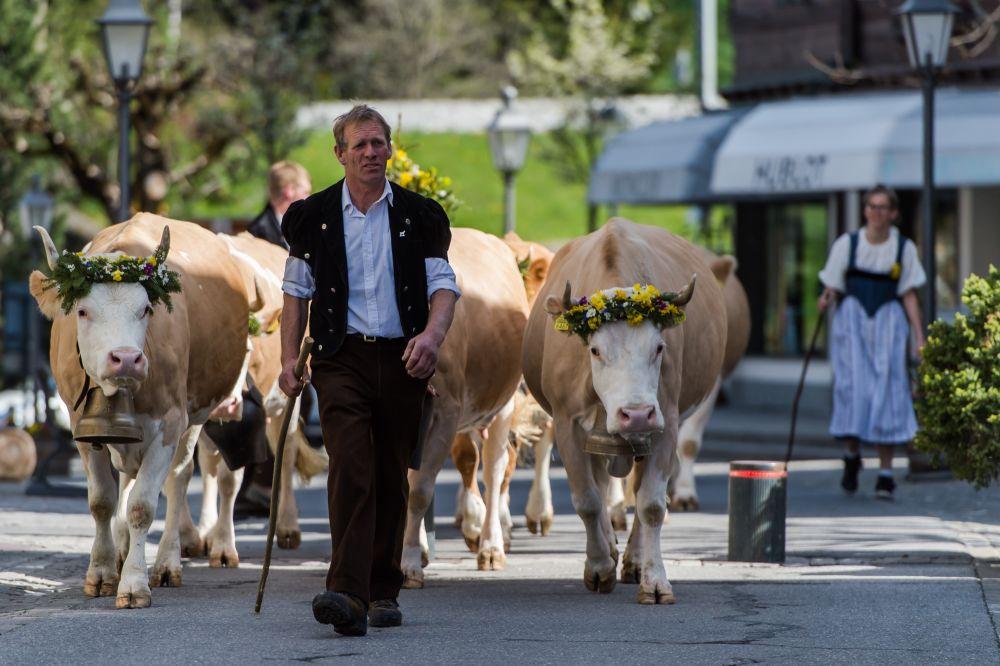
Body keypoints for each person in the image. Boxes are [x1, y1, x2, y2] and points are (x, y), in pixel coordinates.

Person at [279, 105, 459, 636]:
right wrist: (289, 359)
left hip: (404, 358)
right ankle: (347, 593)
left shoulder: (420, 216)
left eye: (378, 143)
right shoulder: (311, 217)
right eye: (359, 145)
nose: (370, 153)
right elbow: (295, 294)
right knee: (352, 466)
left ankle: (384, 590)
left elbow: (443, 289)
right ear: (340, 154)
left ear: (390, 150)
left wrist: (431, 337)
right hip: (341, 358)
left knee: (389, 474)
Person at [818, 184, 926, 500]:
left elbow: (908, 293)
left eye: (883, 208)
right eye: (871, 207)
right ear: (865, 211)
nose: (877, 213)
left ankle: (886, 472)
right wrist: (826, 297)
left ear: (893, 213)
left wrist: (919, 335)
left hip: (889, 321)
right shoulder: (847, 245)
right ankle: (852, 456)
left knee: (889, 390)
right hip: (852, 320)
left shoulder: (903, 248)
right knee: (853, 388)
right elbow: (833, 285)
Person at [235, 161, 313, 519]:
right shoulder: (258, 237)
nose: (308, 198)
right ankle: (258, 485)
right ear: (290, 193)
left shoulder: (295, 228)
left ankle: (270, 484)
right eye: (305, 191)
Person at [247, 160, 312, 249]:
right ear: (289, 191)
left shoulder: (298, 225)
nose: (309, 198)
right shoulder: (259, 234)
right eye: (306, 192)